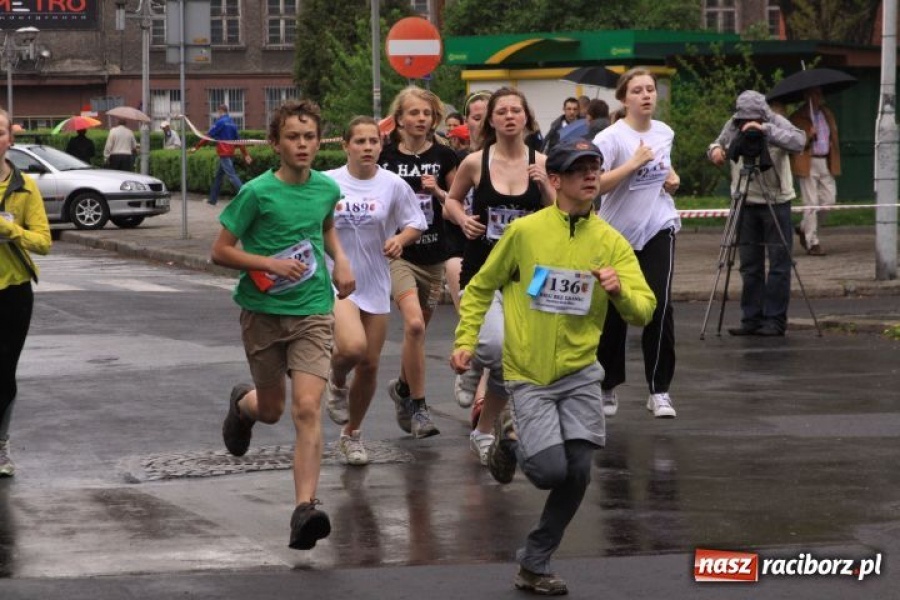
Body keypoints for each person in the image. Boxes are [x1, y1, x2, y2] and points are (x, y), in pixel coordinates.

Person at [451, 139, 656, 595]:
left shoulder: (610, 242)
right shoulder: (525, 234)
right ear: (556, 181)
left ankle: (535, 560)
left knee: (578, 470)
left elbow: (644, 310)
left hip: (581, 372)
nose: (590, 176)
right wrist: (466, 341)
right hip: (528, 374)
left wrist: (620, 289)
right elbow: (482, 286)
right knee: (546, 471)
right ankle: (509, 441)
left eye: (595, 168)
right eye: (579, 169)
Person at [210, 100, 355, 550]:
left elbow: (325, 226)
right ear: (276, 143)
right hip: (262, 314)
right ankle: (244, 406)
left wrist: (341, 261)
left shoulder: (326, 188)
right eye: (293, 137)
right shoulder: (256, 193)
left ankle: (304, 509)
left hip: (313, 309)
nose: (303, 144)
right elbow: (221, 251)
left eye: (310, 136)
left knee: (307, 409)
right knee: (272, 409)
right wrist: (267, 262)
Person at [444, 87, 555, 466]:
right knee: (495, 348)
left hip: (527, 276)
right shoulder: (476, 162)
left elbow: (561, 218)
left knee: (514, 358)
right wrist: (463, 219)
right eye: (502, 111)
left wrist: (545, 184)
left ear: (526, 118)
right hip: (483, 270)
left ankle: (483, 430)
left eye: (516, 110)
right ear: (490, 120)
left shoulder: (542, 161)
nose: (509, 117)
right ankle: (475, 364)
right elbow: (451, 202)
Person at [323, 116, 427, 465]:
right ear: (346, 146)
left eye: (373, 142)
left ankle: (351, 435)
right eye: (360, 142)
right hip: (337, 281)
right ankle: (335, 379)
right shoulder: (327, 183)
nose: (368, 148)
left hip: (375, 280)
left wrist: (400, 239)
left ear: (381, 146)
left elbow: (416, 222)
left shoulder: (393, 185)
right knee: (352, 348)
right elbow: (310, 224)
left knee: (369, 364)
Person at [592, 68, 682, 419]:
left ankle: (659, 390)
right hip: (617, 234)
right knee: (616, 309)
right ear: (624, 98)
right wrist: (632, 164)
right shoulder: (611, 138)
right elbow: (595, 185)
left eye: (651, 89)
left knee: (660, 306)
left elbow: (663, 174)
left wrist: (671, 180)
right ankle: (607, 384)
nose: (647, 95)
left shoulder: (665, 132)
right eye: (638, 90)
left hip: (659, 225)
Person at [379, 86, 459, 439]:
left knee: (418, 332)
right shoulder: (384, 158)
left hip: (434, 256)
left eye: (426, 114)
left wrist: (438, 191)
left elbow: (458, 205)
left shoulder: (444, 156)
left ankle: (401, 388)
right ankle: (420, 407)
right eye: (413, 113)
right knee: (413, 326)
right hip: (399, 254)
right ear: (398, 119)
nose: (421, 119)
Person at [707, 90, 806, 337]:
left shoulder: (776, 121)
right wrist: (716, 152)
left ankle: (775, 320)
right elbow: (716, 144)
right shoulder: (733, 124)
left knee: (779, 265)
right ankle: (751, 319)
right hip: (744, 199)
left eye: (754, 118)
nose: (748, 122)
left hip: (776, 200)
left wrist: (767, 131)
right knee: (749, 265)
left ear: (764, 114)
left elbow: (799, 142)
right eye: (744, 118)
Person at [0, 108, 52, 477]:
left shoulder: (25, 186)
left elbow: (44, 242)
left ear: (9, 139)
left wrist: (12, 232)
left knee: (4, 373)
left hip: (13, 292)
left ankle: (0, 447)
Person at [789, 86, 841, 256]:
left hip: (825, 160)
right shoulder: (798, 117)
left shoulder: (827, 113)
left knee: (829, 200)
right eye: (814, 94)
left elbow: (833, 134)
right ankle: (812, 242)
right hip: (808, 161)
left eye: (819, 94)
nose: (818, 97)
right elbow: (792, 141)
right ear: (806, 96)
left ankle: (804, 227)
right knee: (810, 202)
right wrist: (809, 135)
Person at [190, 104, 252, 206]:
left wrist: (196, 147)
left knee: (232, 175)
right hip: (230, 153)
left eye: (217, 112)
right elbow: (239, 141)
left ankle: (247, 196)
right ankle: (212, 200)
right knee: (219, 177)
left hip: (224, 153)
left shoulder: (220, 122)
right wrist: (245, 154)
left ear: (220, 111)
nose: (217, 115)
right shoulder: (232, 123)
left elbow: (207, 137)